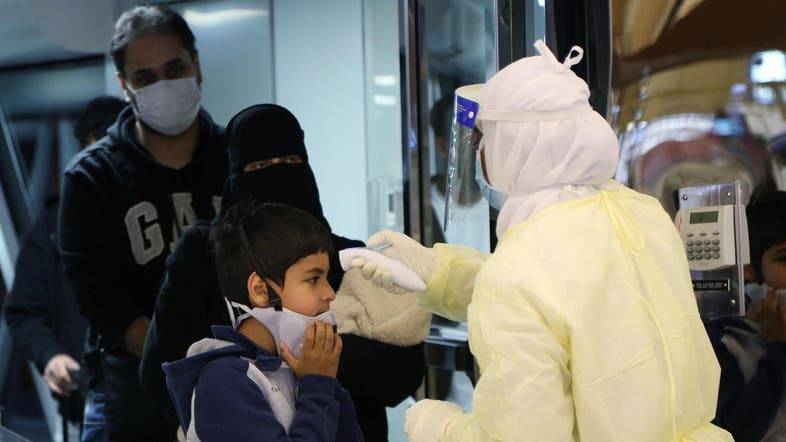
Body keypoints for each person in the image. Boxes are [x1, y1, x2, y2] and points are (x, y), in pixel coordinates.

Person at [353, 40, 733, 441]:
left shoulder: (521, 267)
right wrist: (437, 272)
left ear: (517, 148)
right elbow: (571, 299)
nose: (482, 155)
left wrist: (440, 427)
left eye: (486, 141)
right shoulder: (642, 214)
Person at [141, 104, 428, 441]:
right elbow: (161, 370)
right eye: (261, 165)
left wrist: (322, 363)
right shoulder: (203, 259)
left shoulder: (347, 255)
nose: (327, 295)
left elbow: (402, 372)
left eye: (292, 163)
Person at [58, 6, 228, 440]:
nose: (164, 85)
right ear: (125, 86)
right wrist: (180, 362)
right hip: (134, 393)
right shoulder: (91, 177)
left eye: (175, 69)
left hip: (242, 381)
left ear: (197, 65)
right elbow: (100, 299)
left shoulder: (239, 159)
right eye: (146, 77)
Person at [162, 202, 363, 441]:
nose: (330, 293)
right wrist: (318, 385)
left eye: (327, 278)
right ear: (260, 290)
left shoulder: (299, 371)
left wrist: (328, 385)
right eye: (313, 279)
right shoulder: (223, 382)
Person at [3, 96, 125, 440]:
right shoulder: (56, 226)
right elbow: (23, 311)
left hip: (160, 395)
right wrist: (51, 355)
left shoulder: (158, 218)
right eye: (96, 158)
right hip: (86, 400)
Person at [705, 186, 786, 441]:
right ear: (750, 270)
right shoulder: (724, 342)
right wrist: (778, 346)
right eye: (785, 259)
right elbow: (737, 433)